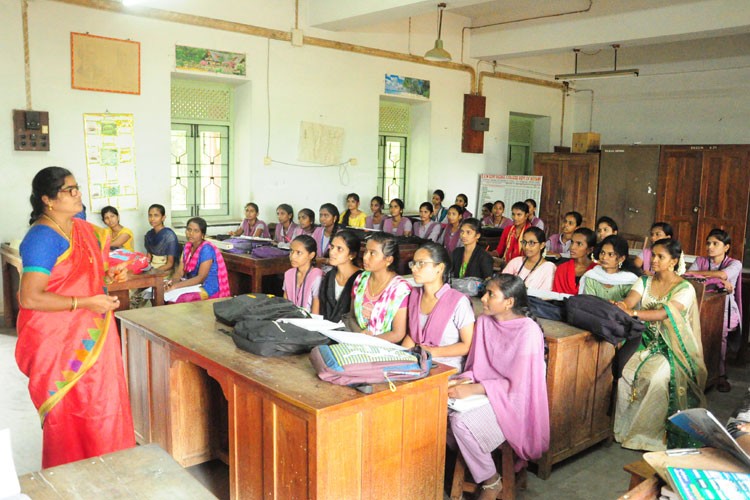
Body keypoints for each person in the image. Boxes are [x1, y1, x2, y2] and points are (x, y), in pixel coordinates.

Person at [17, 166, 134, 468]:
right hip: (59, 341)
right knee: (70, 410)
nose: (77, 193)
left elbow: (88, 271)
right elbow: (30, 297)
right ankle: (72, 474)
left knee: (102, 403)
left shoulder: (80, 227)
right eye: (69, 190)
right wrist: (84, 302)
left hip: (93, 329)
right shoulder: (42, 237)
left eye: (77, 187)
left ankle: (107, 466)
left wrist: (109, 271)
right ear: (48, 200)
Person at [447, 274, 549, 499]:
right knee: (435, 407)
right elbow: (477, 365)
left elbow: (520, 386)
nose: (483, 298)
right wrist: (462, 380)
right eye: (485, 292)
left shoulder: (528, 331)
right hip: (487, 392)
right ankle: (479, 462)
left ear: (509, 302)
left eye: (491, 294)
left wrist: (475, 389)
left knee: (460, 422)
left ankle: (491, 480)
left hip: (512, 402)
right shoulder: (484, 321)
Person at [614, 239, 707, 451]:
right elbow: (630, 300)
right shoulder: (645, 281)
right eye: (652, 255)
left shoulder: (685, 288)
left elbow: (664, 313)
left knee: (656, 377)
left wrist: (634, 313)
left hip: (672, 347)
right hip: (643, 341)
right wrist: (622, 305)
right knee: (625, 373)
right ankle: (624, 430)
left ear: (673, 261)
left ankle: (647, 435)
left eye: (660, 257)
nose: (653, 260)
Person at [686, 229, 743, 392]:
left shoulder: (735, 263)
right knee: (697, 335)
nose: (710, 247)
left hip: (725, 308)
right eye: (708, 243)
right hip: (702, 304)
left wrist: (703, 275)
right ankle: (698, 374)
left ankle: (720, 374)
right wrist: (715, 278)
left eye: (715, 244)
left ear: (726, 247)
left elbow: (723, 274)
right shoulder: (701, 260)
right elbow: (688, 277)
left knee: (719, 337)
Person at [403, 242, 474, 370]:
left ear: (440, 268)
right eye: (413, 263)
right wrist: (400, 358)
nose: (414, 269)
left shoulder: (458, 301)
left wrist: (432, 351)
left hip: (447, 367)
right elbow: (412, 336)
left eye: (421, 264)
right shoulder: (414, 295)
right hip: (417, 362)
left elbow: (467, 345)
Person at [350, 232, 411, 343]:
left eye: (372, 253)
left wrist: (369, 341)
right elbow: (351, 316)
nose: (365, 257)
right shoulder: (361, 279)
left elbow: (398, 334)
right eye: (365, 252)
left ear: (388, 260)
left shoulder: (400, 290)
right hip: (357, 341)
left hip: (383, 348)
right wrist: (359, 333)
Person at [165, 217, 230, 302]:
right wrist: (171, 283)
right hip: (192, 284)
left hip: (207, 287)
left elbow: (201, 278)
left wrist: (175, 286)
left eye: (196, 231)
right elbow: (180, 271)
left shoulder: (206, 249)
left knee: (181, 299)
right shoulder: (187, 247)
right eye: (189, 229)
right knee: (159, 291)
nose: (191, 233)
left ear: (202, 234)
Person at [579, 235, 640, 301]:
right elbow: (588, 303)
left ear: (621, 259)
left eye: (610, 254)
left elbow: (629, 307)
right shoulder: (592, 276)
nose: (604, 257)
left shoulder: (629, 280)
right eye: (602, 253)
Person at [319, 231, 362, 322]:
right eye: (332, 247)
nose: (332, 252)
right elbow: (322, 307)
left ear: (352, 255)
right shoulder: (330, 276)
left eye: (339, 249)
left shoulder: (361, 279)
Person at [502, 227, 556, 291]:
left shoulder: (548, 268)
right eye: (524, 242)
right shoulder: (515, 262)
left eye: (532, 243)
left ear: (542, 245)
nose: (526, 247)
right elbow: (501, 284)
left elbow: (545, 295)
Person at [283, 235, 323, 314]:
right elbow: (285, 304)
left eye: (299, 253)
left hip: (309, 322)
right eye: (291, 251)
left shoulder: (317, 276)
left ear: (311, 255)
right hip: (290, 319)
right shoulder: (289, 274)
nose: (293, 256)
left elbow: (316, 313)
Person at [552, 228, 596, 295]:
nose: (572, 247)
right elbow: (555, 296)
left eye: (579, 244)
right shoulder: (562, 269)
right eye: (572, 242)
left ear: (590, 249)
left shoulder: (596, 271)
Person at [144, 203, 180, 272]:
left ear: (163, 218)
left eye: (156, 215)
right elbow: (149, 257)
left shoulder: (169, 236)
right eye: (150, 215)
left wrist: (154, 272)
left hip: (166, 271)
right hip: (152, 268)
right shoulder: (149, 234)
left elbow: (170, 264)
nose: (152, 219)